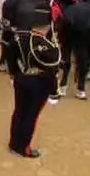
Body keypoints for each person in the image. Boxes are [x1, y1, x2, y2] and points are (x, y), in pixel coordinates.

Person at [5, 9, 60, 158]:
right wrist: (54, 92)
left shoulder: (19, 38)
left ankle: (13, 143)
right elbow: (51, 72)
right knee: (31, 115)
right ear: (48, 26)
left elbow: (9, 56)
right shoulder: (50, 47)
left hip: (21, 78)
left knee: (18, 112)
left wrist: (14, 73)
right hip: (39, 84)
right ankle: (24, 148)